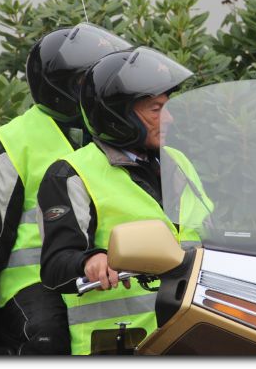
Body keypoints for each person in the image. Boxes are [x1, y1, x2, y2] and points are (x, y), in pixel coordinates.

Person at [0, 23, 131, 355]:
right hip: (34, 282)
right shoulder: (12, 144)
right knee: (49, 337)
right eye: (91, 81)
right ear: (63, 86)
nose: (102, 89)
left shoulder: (113, 133)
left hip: (106, 274)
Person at [38, 46, 194, 355]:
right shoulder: (71, 174)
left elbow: (205, 235)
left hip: (189, 328)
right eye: (156, 109)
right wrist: (90, 260)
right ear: (118, 115)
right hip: (122, 343)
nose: (170, 118)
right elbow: (55, 266)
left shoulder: (177, 162)